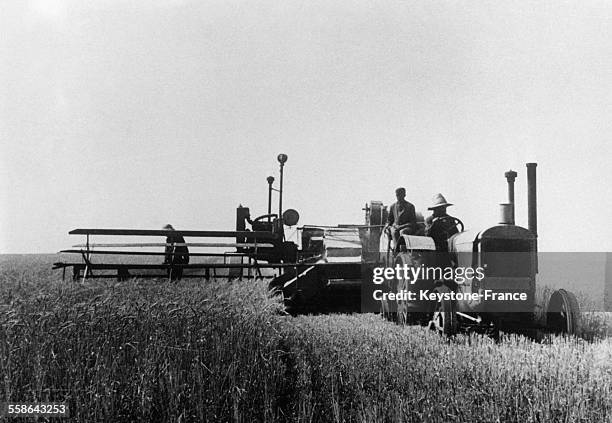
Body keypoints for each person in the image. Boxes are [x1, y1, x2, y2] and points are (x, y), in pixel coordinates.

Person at [385, 187, 417, 252]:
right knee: (394, 232)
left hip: (407, 227)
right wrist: (388, 226)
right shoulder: (392, 206)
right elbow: (389, 220)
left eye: (400, 195)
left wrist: (402, 227)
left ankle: (403, 250)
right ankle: (397, 251)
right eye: (397, 195)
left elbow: (413, 222)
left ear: (404, 195)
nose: (398, 197)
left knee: (402, 232)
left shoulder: (410, 206)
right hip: (395, 227)